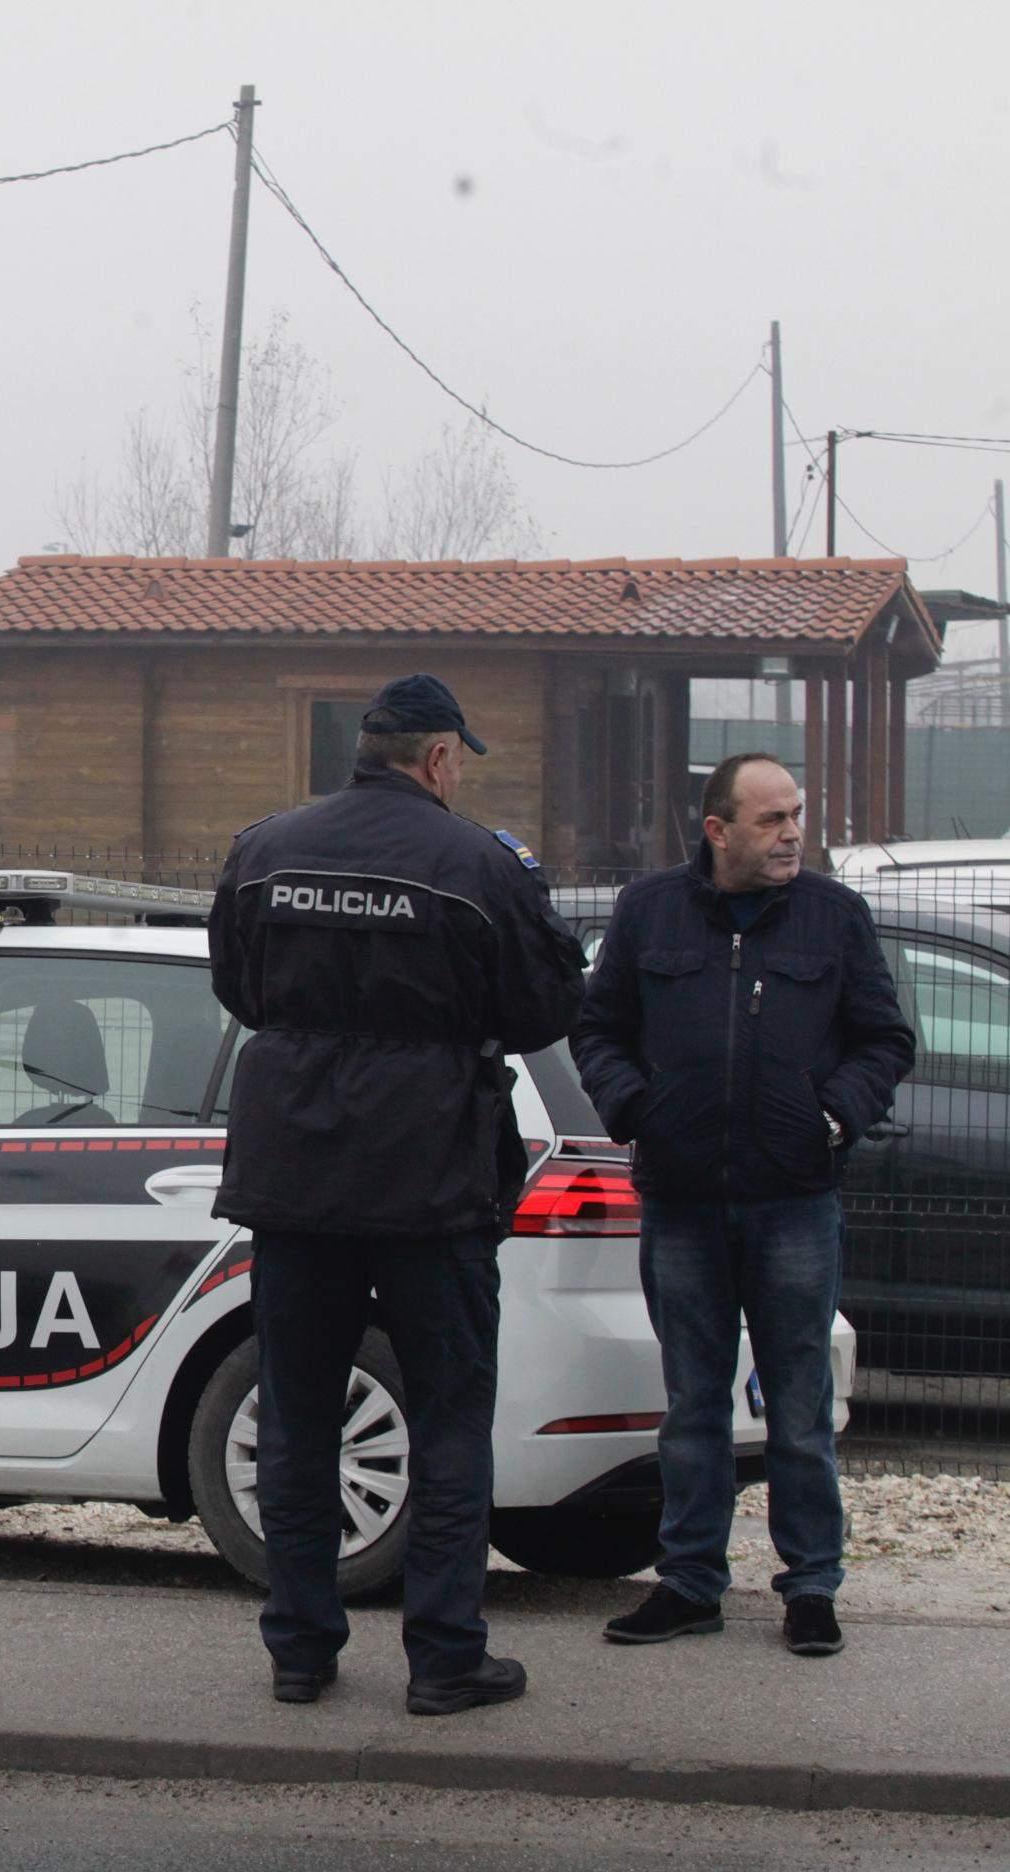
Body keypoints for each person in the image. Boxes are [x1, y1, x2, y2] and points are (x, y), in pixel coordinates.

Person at [208, 673, 585, 1717]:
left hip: (295, 1181)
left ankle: (299, 1649)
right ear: (438, 760)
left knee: (296, 1416)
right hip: (432, 1178)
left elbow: (239, 987)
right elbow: (548, 1001)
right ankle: (446, 1659)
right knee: (451, 1420)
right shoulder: (478, 864)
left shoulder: (267, 848)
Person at [570, 753, 913, 1659]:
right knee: (691, 1405)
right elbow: (597, 1029)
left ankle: (810, 1588)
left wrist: (834, 1114)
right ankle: (689, 1582)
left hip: (795, 1202)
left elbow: (885, 1038)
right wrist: (638, 1110)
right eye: (771, 819)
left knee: (799, 1406)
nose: (792, 833)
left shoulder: (834, 917)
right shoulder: (649, 912)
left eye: (796, 814)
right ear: (717, 830)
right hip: (681, 1202)